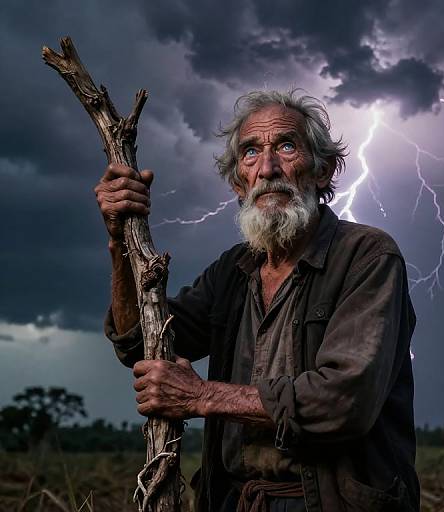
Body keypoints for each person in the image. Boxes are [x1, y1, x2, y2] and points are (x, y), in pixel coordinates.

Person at [96, 90, 420, 511]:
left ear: (322, 170)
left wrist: (200, 397)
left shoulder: (367, 257)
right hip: (235, 502)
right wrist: (121, 239)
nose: (268, 169)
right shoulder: (234, 270)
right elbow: (141, 341)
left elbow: (343, 400)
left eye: (286, 146)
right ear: (237, 183)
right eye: (251, 153)